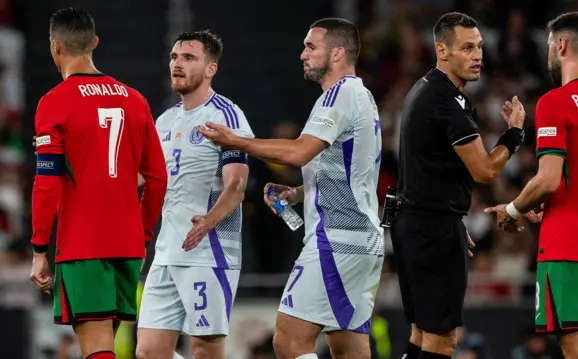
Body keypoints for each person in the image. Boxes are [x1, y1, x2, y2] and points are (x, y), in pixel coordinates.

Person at [198, 17, 383, 359]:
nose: (302, 54)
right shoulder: (363, 96)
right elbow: (352, 170)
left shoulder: (339, 95)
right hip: (362, 240)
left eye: (311, 47)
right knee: (348, 348)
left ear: (338, 53)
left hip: (336, 240)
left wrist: (237, 141)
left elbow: (299, 151)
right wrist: (298, 193)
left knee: (288, 339)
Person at [485, 11, 578, 359]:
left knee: (577, 349)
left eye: (551, 46)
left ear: (562, 44)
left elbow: (548, 178)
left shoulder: (556, 101)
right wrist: (563, 199)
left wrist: (512, 209)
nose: (549, 53)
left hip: (569, 248)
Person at [29, 8, 167, 359]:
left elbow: (47, 183)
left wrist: (39, 248)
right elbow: (157, 178)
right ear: (95, 43)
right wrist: (144, 233)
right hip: (128, 242)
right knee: (109, 343)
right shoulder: (135, 100)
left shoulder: (55, 102)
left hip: (83, 243)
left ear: (55, 47)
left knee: (96, 347)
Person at [389, 12, 527, 359]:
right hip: (431, 227)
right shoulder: (445, 101)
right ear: (442, 51)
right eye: (467, 48)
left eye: (479, 46)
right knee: (442, 340)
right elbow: (484, 171)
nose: (477, 55)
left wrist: (449, 220)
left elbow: (434, 169)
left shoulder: (425, 89)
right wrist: (514, 135)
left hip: (417, 222)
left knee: (422, 333)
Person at [135, 30, 253, 359]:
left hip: (209, 253)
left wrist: (208, 222)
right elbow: (143, 177)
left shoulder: (226, 116)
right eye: (175, 57)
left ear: (211, 68)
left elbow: (236, 186)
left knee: (205, 350)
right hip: (167, 252)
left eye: (188, 58)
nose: (177, 64)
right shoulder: (165, 121)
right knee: (148, 352)